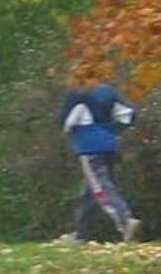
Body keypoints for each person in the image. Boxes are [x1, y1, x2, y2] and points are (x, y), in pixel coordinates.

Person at [59, 79, 142, 242]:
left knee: (101, 189)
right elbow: (130, 114)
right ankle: (80, 234)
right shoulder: (108, 90)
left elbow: (65, 121)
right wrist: (112, 129)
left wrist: (75, 131)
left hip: (89, 148)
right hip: (110, 145)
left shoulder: (77, 93)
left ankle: (126, 220)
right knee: (90, 193)